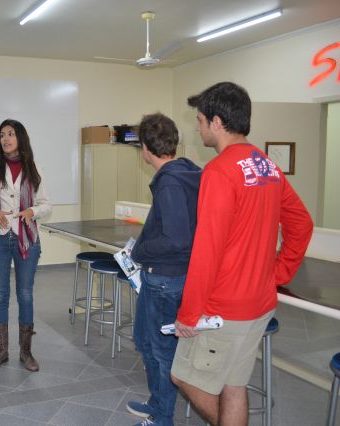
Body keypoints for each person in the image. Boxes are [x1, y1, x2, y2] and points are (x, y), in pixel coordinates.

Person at [171, 82, 314, 426]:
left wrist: (189, 313)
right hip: (259, 303)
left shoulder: (219, 171)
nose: (198, 128)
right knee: (233, 385)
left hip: (224, 308)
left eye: (200, 120)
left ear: (217, 122)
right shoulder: (267, 166)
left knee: (185, 377)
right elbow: (302, 223)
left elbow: (208, 248)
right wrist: (278, 273)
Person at [125, 113, 202, 426]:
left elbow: (176, 238)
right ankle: (157, 403)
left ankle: (163, 418)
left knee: (161, 351)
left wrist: (140, 251)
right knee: (145, 341)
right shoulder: (184, 173)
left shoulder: (169, 182)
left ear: (146, 148)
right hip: (163, 276)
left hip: (165, 278)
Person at [0, 119, 52, 372]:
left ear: (20, 138)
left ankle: (26, 352)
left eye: (10, 134)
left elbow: (46, 204)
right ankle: (1, 351)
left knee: (25, 294)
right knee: (0, 294)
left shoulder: (33, 167)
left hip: (27, 239)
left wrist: (32, 211)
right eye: (2, 135)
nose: (5, 138)